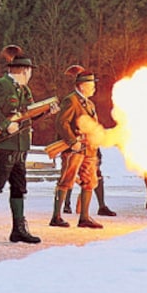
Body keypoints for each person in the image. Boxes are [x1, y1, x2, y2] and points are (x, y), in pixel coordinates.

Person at [0, 45, 51, 244]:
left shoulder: (24, 90)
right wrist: (4, 124)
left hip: (20, 146)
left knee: (19, 188)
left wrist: (46, 112)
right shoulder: (1, 85)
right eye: (30, 71)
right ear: (24, 70)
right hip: (3, 145)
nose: (30, 74)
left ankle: (18, 229)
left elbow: (28, 114)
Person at [49, 65, 104, 228]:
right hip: (74, 149)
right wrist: (73, 142)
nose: (94, 88)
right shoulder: (71, 100)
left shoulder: (90, 104)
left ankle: (84, 217)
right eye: (92, 85)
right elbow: (62, 123)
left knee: (90, 181)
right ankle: (56, 216)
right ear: (82, 86)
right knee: (66, 180)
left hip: (88, 149)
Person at [62, 148, 116, 216]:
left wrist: (97, 155)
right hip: (74, 147)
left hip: (89, 147)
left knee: (96, 174)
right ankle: (67, 204)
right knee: (71, 174)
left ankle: (101, 206)